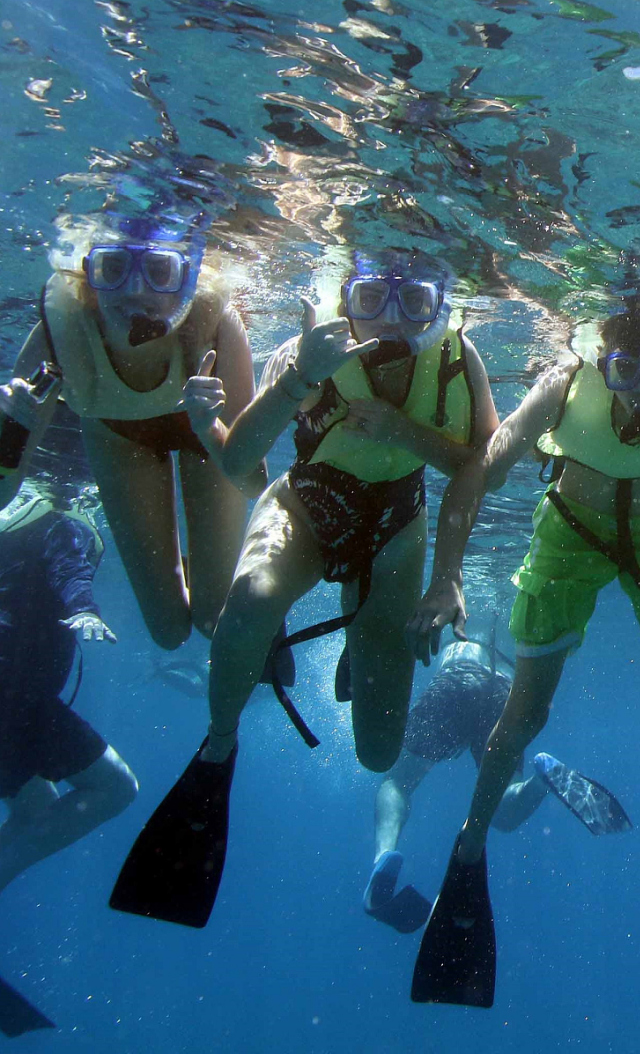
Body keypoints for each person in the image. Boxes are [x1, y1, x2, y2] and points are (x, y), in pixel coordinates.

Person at [404, 293, 640, 1005]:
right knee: (523, 712)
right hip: (567, 531)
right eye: (625, 371)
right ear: (599, 360)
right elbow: (481, 471)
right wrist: (445, 576)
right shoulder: (562, 384)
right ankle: (470, 840)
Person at [109, 250, 498, 930]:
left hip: (397, 530)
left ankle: (361, 627)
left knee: (380, 751)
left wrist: (448, 575)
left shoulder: (462, 363)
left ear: (441, 307)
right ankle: (219, 746)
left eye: (414, 305)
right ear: (345, 297)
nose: (390, 323)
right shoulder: (305, 349)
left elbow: (479, 468)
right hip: (306, 507)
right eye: (372, 298)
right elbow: (236, 462)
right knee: (253, 600)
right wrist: (275, 391)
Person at [0, 209, 256, 650]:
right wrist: (7, 434)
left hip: (206, 436)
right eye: (113, 269)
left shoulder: (214, 323)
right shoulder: (60, 331)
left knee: (214, 618)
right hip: (118, 435)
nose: (134, 290)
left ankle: (216, 577)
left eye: (159, 271)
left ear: (188, 279)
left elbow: (250, 478)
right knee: (168, 632)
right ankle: (202, 567)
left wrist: (209, 424)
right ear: (88, 276)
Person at [364, 616, 628, 934]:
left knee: (398, 781)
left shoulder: (457, 607)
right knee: (503, 810)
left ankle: (384, 854)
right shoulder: (514, 611)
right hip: (502, 690)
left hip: (454, 679)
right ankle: (541, 779)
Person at [0, 479, 136, 896]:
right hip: (16, 695)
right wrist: (85, 610)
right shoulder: (65, 523)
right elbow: (70, 567)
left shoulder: (14, 526)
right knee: (116, 788)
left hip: (13, 694)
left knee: (35, 807)